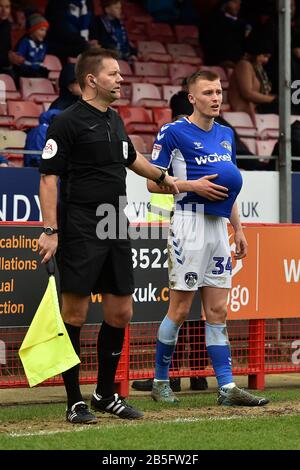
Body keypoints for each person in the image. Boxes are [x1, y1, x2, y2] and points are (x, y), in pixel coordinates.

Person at [38, 47, 178, 424]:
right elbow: (48, 179)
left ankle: (104, 393)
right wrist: (50, 230)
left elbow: (132, 158)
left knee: (121, 311)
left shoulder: (114, 119)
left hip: (115, 223)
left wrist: (167, 180)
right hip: (81, 225)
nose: (121, 79)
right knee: (76, 313)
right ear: (91, 80)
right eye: (113, 74)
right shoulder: (65, 122)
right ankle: (74, 401)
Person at [147, 69, 269, 407]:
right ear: (192, 97)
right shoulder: (173, 132)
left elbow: (229, 189)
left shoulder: (226, 135)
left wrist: (238, 229)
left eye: (217, 92)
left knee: (218, 310)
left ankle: (227, 388)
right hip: (187, 224)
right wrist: (191, 186)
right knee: (181, 307)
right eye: (207, 93)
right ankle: (160, 381)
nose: (215, 98)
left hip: (218, 227)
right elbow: (152, 182)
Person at [228, 33, 277, 124]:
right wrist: (274, 100)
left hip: (256, 111)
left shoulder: (258, 67)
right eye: (264, 56)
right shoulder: (244, 65)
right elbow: (247, 93)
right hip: (243, 113)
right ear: (256, 51)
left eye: (268, 57)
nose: (266, 60)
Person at [14, 13, 49, 79]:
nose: (44, 33)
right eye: (41, 30)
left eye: (45, 31)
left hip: (36, 71)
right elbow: (19, 59)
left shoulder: (43, 45)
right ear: (32, 30)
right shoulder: (25, 42)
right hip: (25, 72)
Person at [0, 0, 24, 75]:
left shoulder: (7, 25)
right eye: (0, 6)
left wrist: (14, 56)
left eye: (7, 7)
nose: (4, 11)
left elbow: (6, 49)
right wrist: (8, 58)